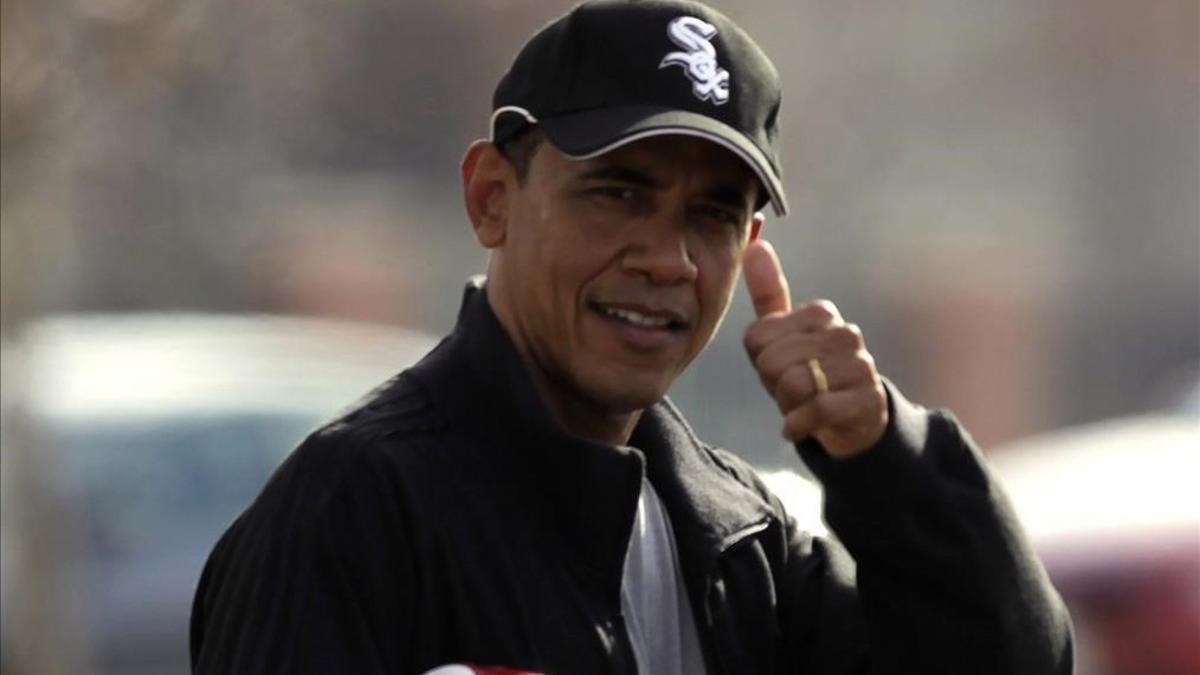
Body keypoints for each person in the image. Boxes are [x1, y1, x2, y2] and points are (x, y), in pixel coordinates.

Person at [190, 1, 1074, 673]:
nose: (670, 259)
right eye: (618, 192)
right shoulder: (354, 514)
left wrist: (883, 453)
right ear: (492, 196)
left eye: (714, 214)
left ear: (750, 250)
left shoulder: (738, 539)